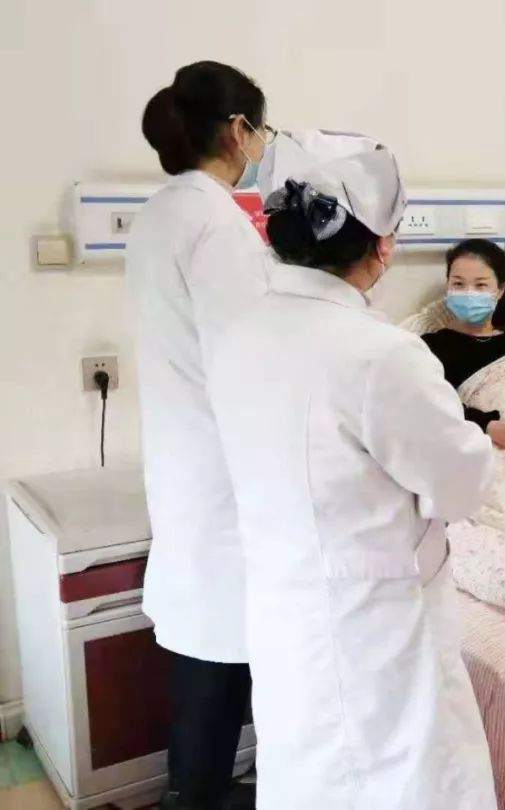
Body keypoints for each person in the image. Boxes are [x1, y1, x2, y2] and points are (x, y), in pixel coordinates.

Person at [207, 149, 500, 809]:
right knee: (395, 779)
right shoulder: (381, 354)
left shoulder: (239, 335)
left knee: (308, 775)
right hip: (374, 627)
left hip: (287, 615)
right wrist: (482, 444)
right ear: (382, 247)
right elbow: (461, 486)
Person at [126, 61, 275, 810]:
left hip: (184, 465)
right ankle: (205, 796)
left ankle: (194, 791)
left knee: (200, 659)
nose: (265, 143)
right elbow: (248, 359)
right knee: (224, 663)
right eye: (263, 128)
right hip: (223, 476)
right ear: (238, 130)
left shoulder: (159, 213)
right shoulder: (219, 224)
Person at [422, 239, 505, 451]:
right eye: (458, 284)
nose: (469, 293)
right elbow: (429, 407)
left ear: (500, 290)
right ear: (448, 287)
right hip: (495, 443)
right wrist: (488, 426)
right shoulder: (430, 347)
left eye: (480, 285)